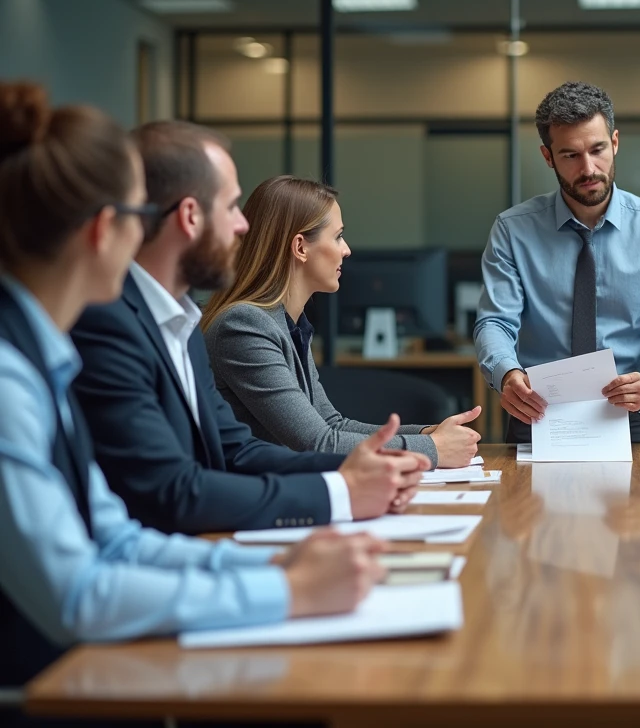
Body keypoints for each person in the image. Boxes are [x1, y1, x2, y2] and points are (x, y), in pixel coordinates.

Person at [0, 82, 386, 700]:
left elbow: (117, 538)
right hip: (48, 687)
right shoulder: (14, 376)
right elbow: (78, 595)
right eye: (139, 215)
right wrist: (286, 589)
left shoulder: (48, 355)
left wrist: (276, 563)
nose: (242, 226)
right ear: (105, 229)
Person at [70, 121, 428, 536]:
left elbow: (236, 450)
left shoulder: (182, 323)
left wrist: (363, 472)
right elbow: (173, 491)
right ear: (190, 216)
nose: (243, 226)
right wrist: (342, 491)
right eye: (230, 207)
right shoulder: (115, 325)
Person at [201, 175, 480, 468]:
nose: (346, 250)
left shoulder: (288, 324)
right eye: (337, 236)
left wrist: (428, 435)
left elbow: (333, 425)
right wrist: (432, 449)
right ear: (300, 247)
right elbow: (318, 443)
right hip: (258, 492)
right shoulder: (244, 327)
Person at [475, 81, 640, 443]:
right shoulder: (513, 230)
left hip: (629, 417)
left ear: (615, 142)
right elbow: (495, 322)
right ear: (548, 157)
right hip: (538, 415)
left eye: (597, 149)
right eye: (570, 155)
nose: (589, 168)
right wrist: (507, 374)